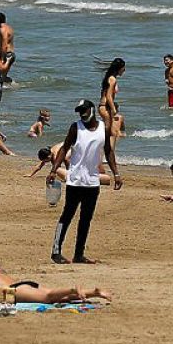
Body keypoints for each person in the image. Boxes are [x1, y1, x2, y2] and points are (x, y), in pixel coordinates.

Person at [48, 99, 122, 265]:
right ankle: (56, 251)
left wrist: (116, 174)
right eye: (80, 111)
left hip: (92, 182)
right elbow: (64, 148)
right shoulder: (76, 127)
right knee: (67, 216)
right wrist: (54, 170)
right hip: (75, 181)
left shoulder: (104, 128)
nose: (82, 114)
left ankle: (79, 254)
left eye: (85, 110)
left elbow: (109, 152)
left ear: (92, 110)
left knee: (85, 219)